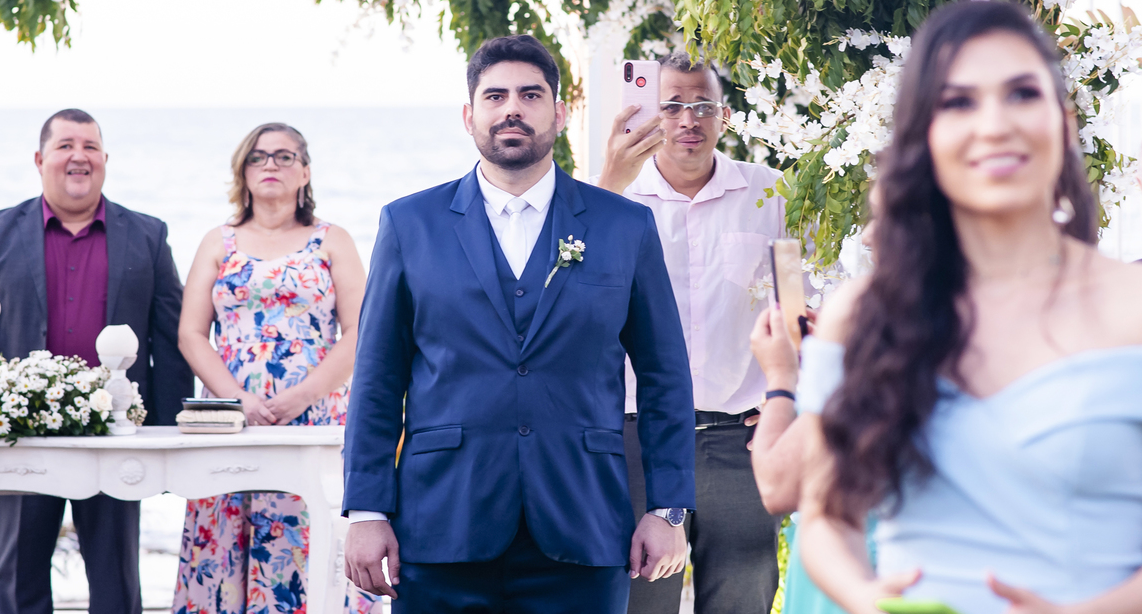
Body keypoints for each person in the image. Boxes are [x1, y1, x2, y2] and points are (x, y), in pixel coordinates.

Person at [795, 0, 1142, 613]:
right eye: (958, 103)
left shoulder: (1131, 308)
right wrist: (866, 597)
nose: (994, 125)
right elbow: (826, 518)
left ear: (1063, 121)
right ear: (922, 136)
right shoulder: (863, 316)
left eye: (1021, 95)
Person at [341, 34, 696, 613]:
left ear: (558, 113)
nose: (512, 108)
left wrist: (668, 508)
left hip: (582, 524)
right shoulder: (410, 224)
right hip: (441, 526)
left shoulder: (623, 226)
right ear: (469, 115)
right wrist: (367, 509)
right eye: (495, 96)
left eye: (530, 95)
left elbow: (664, 376)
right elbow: (379, 376)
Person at [0, 108, 192, 614]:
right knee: (15, 577)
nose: (79, 156)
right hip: (22, 431)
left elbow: (169, 337)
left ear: (104, 159)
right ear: (40, 160)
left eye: (90, 146)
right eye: (65, 146)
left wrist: (168, 438)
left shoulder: (147, 234)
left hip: (118, 430)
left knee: (117, 579)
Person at [595, 52, 784, 614]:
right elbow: (571, 303)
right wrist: (607, 183)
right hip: (637, 440)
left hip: (738, 444)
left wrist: (791, 399)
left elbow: (808, 305)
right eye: (672, 106)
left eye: (702, 106)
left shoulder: (770, 194)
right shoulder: (609, 198)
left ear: (723, 116)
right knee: (636, 602)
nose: (688, 120)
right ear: (649, 115)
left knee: (743, 601)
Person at [171, 122, 378, 614]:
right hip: (230, 422)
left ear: (305, 172)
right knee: (223, 539)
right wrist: (237, 400)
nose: (271, 165)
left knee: (306, 541)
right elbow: (191, 334)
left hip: (316, 415)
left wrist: (302, 395)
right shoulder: (218, 242)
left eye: (285, 157)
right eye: (259, 157)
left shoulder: (332, 240)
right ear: (242, 172)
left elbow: (361, 333)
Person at [747, 181, 880, 614]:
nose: (867, 235)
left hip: (859, 572)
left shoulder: (881, 324)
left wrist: (782, 376)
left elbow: (776, 482)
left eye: (889, 217)